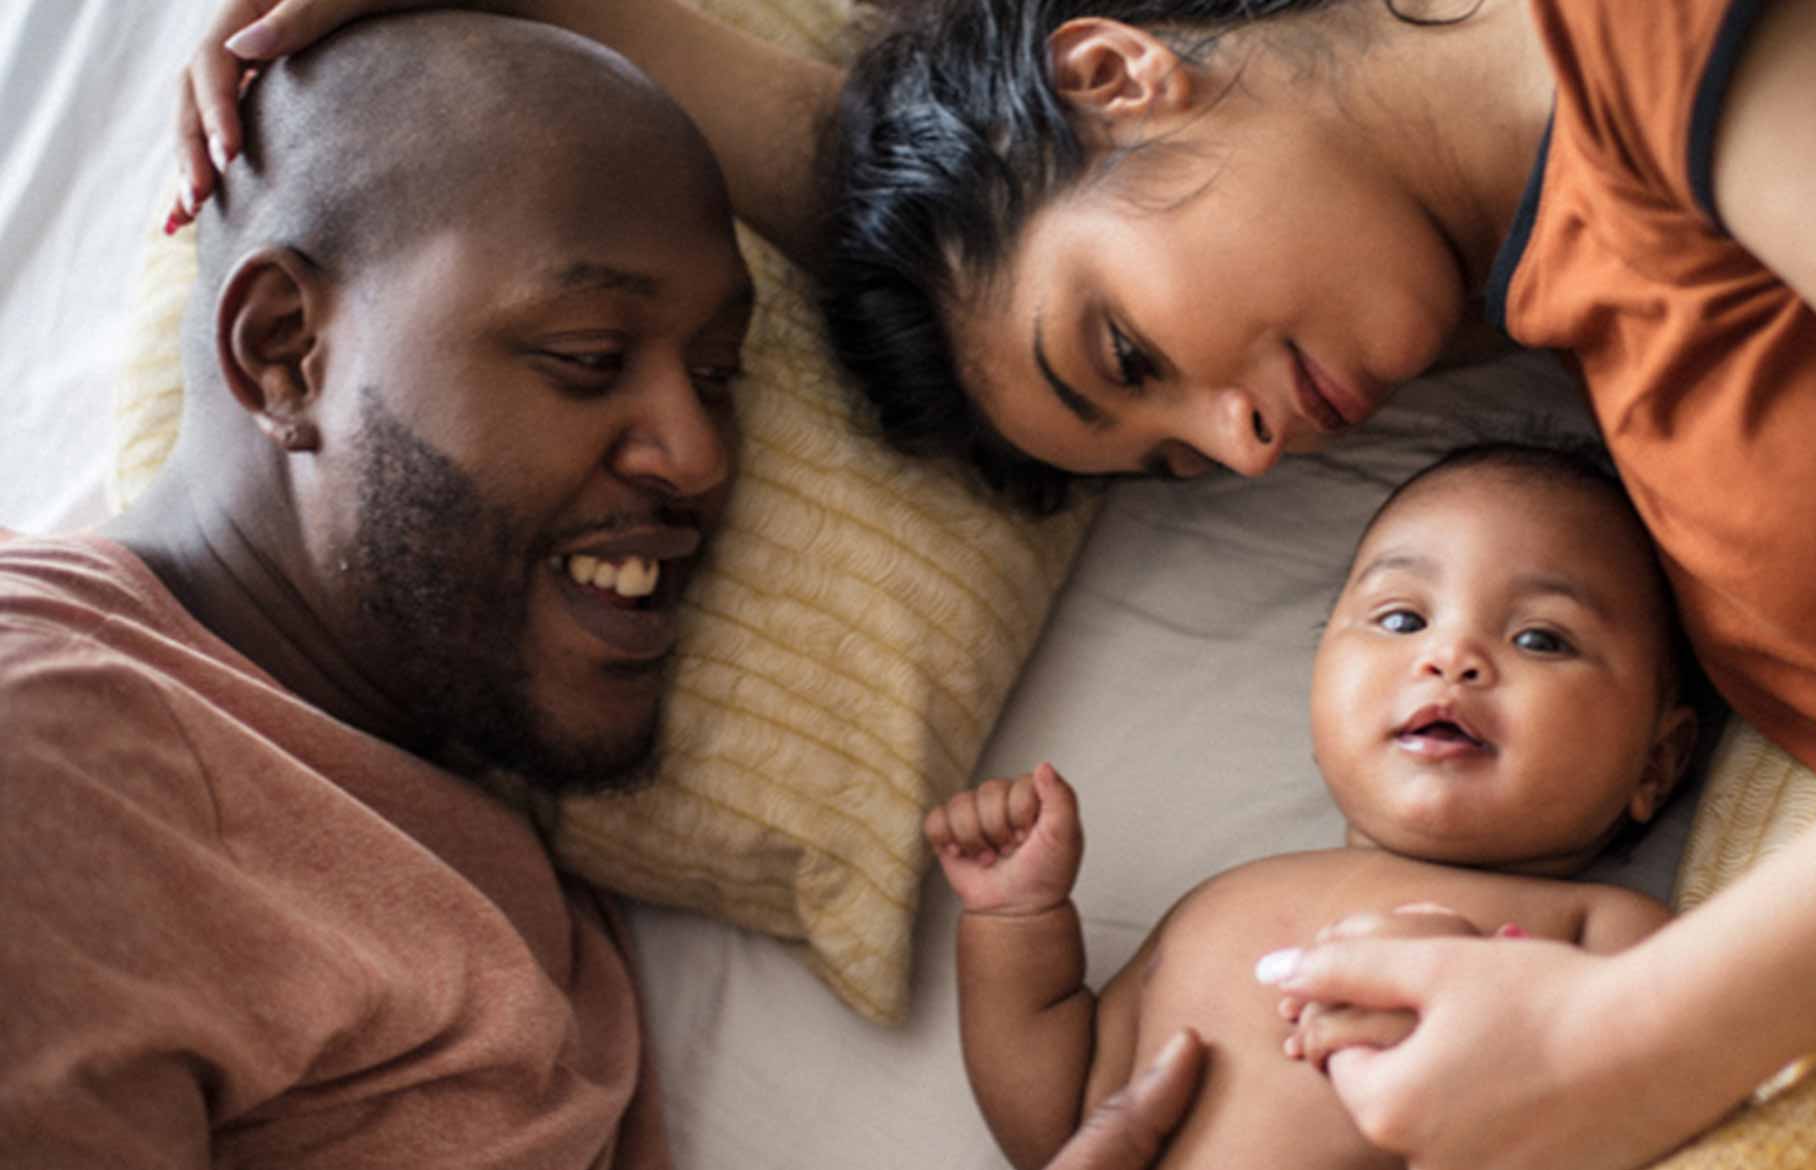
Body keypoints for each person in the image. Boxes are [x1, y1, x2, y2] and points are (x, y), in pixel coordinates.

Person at [174, 1, 1816, 1168]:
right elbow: (922, 167)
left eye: (1128, 365)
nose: (1241, 452)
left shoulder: (1665, 33)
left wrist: (1630, 1053)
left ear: (1127, 71)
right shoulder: (1530, 256)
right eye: (1158, 454)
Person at [2, 11, 1199, 1169]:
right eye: (586, 359)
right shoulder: (52, 743)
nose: (699, 455)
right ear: (283, 351)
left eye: (721, 374)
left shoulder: (428, 791)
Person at [924, 445, 1699, 1170]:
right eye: (1402, 620)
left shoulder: (1607, 933)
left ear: (1656, 763)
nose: (1450, 657)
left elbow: (1679, 1100)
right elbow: (1060, 1120)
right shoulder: (1220, 908)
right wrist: (1015, 927)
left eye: (1541, 639)